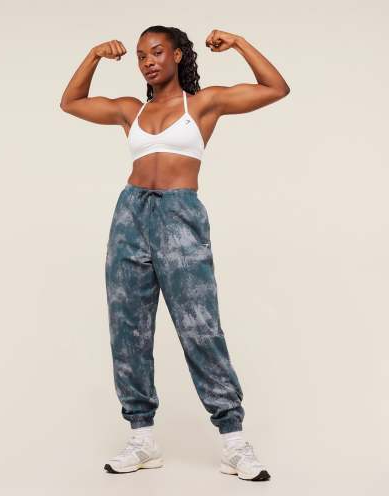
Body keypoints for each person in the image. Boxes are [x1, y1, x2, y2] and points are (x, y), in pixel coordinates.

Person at [60, 25, 290, 481]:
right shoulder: (131, 109)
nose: (148, 61)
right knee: (128, 327)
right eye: (141, 55)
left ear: (179, 55)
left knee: (200, 326)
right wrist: (93, 55)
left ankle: (233, 441)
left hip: (180, 215)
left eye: (157, 52)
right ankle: (142, 437)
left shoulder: (202, 104)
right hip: (130, 216)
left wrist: (239, 43)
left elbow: (275, 88)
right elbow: (71, 102)